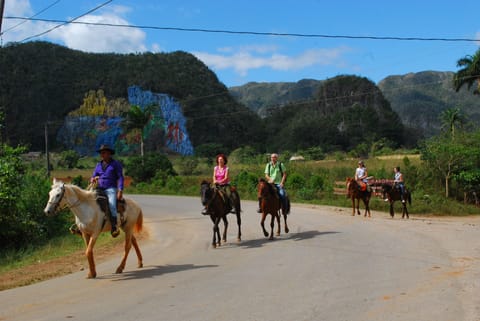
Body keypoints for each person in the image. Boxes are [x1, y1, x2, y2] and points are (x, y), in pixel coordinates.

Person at [91, 144, 124, 237]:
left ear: (109, 154)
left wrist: (120, 190)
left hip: (111, 189)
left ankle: (114, 227)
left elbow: (120, 177)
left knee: (112, 205)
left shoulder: (115, 164)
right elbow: (93, 175)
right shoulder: (98, 165)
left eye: (104, 153)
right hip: (99, 188)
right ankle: (87, 224)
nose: (102, 155)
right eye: (101, 153)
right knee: (89, 200)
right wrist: (92, 179)